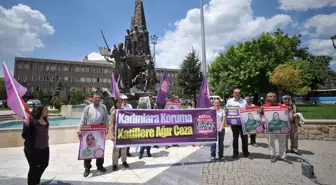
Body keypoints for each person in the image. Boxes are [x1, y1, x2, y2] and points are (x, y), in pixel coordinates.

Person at [77, 93, 109, 177]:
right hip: (89, 131)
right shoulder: (88, 108)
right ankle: (87, 168)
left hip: (99, 131)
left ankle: (100, 165)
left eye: (98, 98)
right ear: (92, 99)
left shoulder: (103, 107)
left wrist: (107, 128)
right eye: (95, 98)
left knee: (99, 148)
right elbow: (83, 119)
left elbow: (106, 119)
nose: (97, 99)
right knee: (88, 150)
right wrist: (79, 130)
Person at [22, 104, 50, 185]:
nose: (47, 110)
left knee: (44, 164)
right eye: (45, 109)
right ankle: (32, 183)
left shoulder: (45, 120)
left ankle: (36, 180)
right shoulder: (31, 120)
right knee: (34, 167)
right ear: (40, 111)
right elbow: (25, 136)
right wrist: (26, 126)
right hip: (33, 149)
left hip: (45, 147)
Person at [261, 92, 292, 164]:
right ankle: (273, 155)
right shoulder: (264, 106)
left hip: (281, 128)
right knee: (271, 142)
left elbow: (286, 114)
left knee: (282, 142)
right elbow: (259, 114)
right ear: (267, 98)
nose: (273, 97)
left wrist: (288, 109)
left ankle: (283, 156)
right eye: (271, 96)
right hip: (270, 128)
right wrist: (260, 110)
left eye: (274, 96)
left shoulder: (281, 106)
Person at [226, 88, 253, 160]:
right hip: (234, 123)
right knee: (235, 138)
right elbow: (227, 110)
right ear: (233, 93)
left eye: (238, 93)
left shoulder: (244, 101)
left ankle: (246, 153)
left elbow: (248, 110)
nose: (237, 94)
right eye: (235, 93)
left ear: (240, 93)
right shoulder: (229, 101)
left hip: (243, 123)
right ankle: (235, 153)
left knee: (244, 138)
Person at [111, 99, 130, 171]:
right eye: (119, 102)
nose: (120, 103)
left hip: (124, 133)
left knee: (124, 148)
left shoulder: (124, 111)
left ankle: (124, 161)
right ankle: (115, 164)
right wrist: (112, 135)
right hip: (117, 133)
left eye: (121, 102)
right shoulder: (114, 112)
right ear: (115, 104)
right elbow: (112, 124)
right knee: (116, 149)